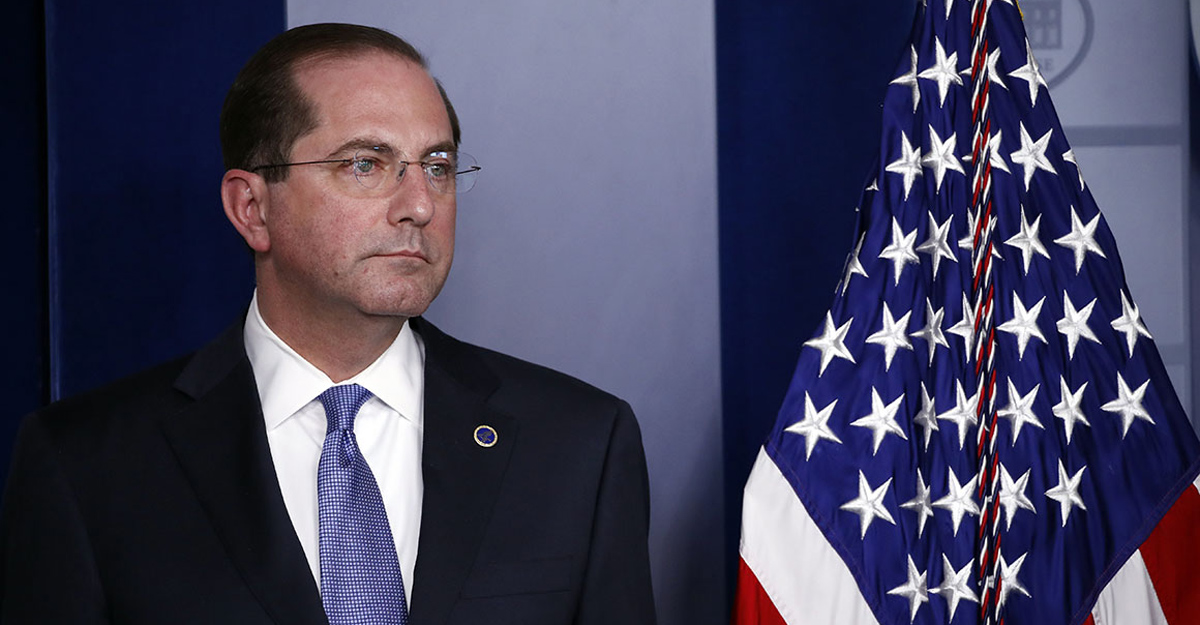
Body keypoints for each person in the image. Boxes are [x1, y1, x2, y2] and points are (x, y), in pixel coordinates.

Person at [0, 23, 655, 624]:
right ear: (252, 207)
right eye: (365, 164)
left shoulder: (579, 445)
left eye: (437, 166)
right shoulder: (86, 465)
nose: (420, 205)